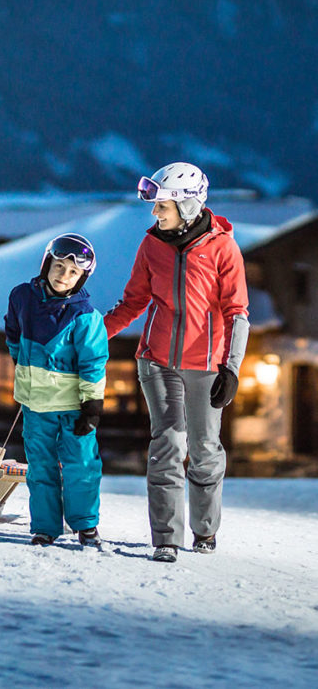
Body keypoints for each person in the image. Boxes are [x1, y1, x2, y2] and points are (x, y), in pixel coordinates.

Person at [105, 163, 249, 563]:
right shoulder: (152, 245)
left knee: (204, 448)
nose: (155, 214)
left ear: (187, 206)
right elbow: (133, 302)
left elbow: (238, 312)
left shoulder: (223, 248)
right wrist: (93, 337)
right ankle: (166, 538)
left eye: (161, 206)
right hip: (158, 360)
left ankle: (205, 530)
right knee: (168, 443)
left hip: (207, 364)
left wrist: (232, 367)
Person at [4, 234, 109, 547]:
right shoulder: (22, 297)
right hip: (36, 406)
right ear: (47, 264)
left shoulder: (85, 317)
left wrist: (92, 406)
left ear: (81, 278)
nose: (64, 275)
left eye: (73, 272)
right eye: (59, 266)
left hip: (72, 409)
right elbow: (12, 334)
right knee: (40, 469)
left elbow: (93, 363)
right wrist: (21, 367)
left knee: (82, 466)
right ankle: (46, 527)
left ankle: (85, 525)